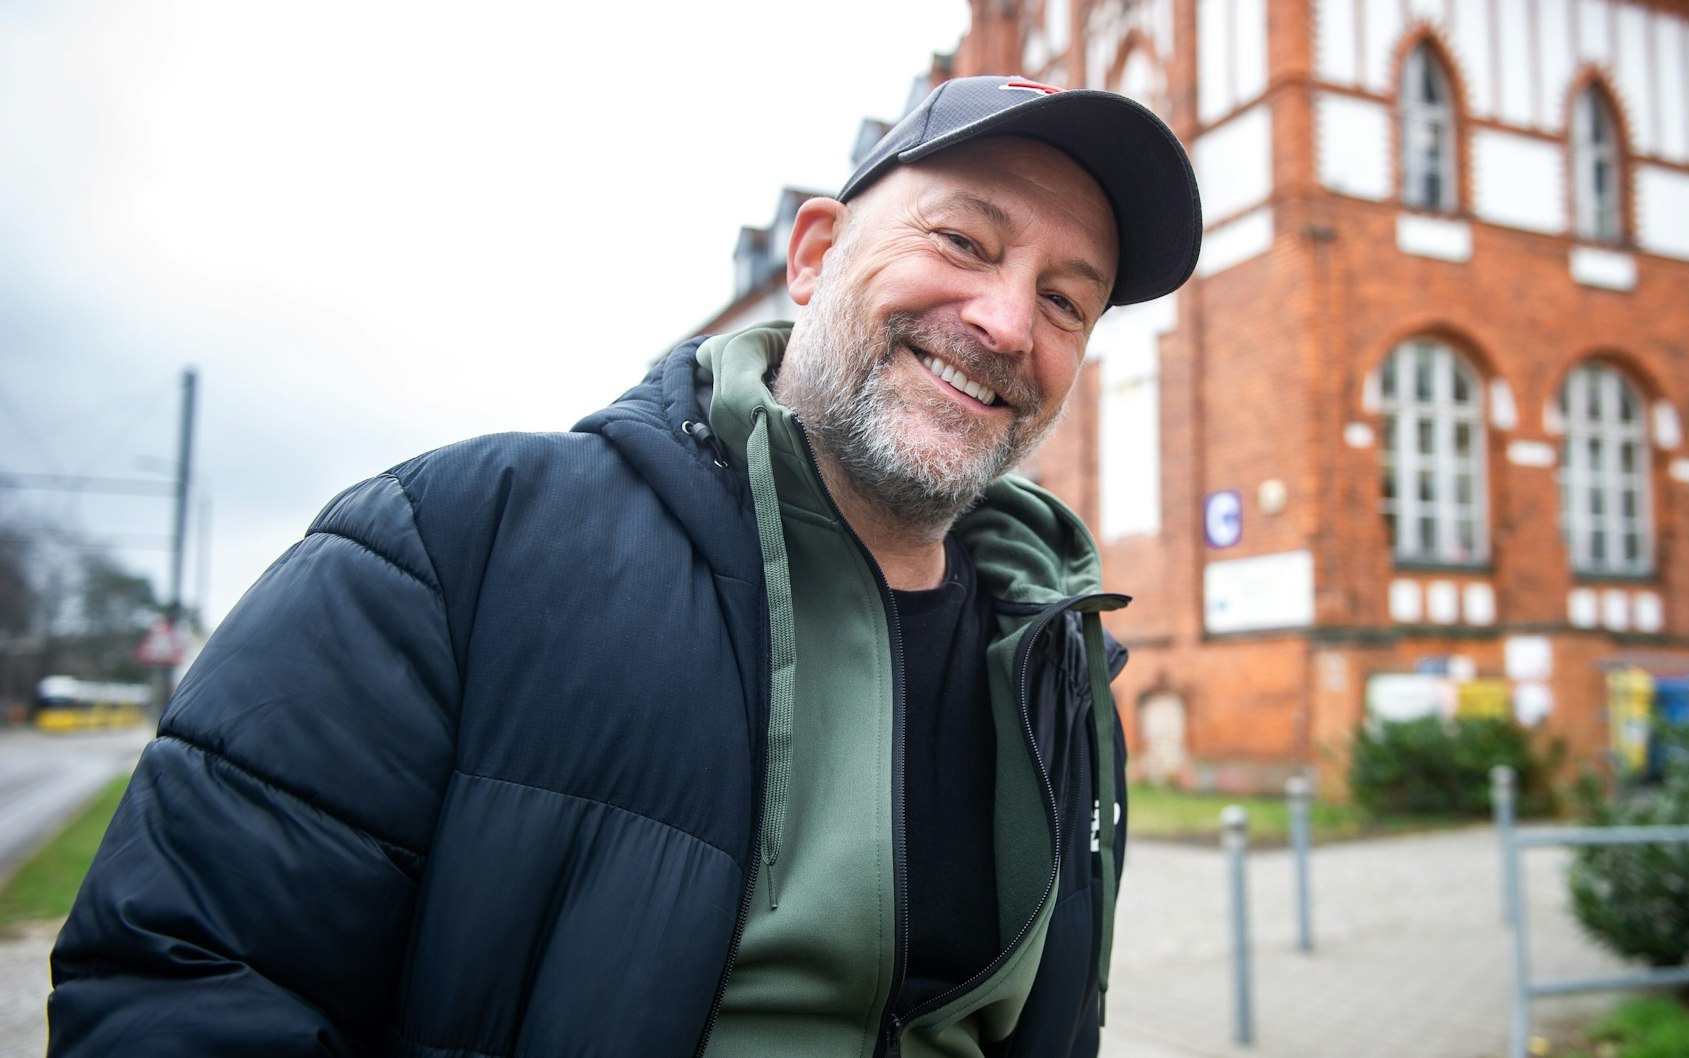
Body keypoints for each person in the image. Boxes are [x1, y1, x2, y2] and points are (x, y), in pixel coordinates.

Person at [47, 75, 1201, 1057]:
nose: (1007, 322)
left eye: (1065, 300)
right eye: (962, 239)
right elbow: (177, 980)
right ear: (810, 256)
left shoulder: (1057, 657)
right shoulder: (454, 544)